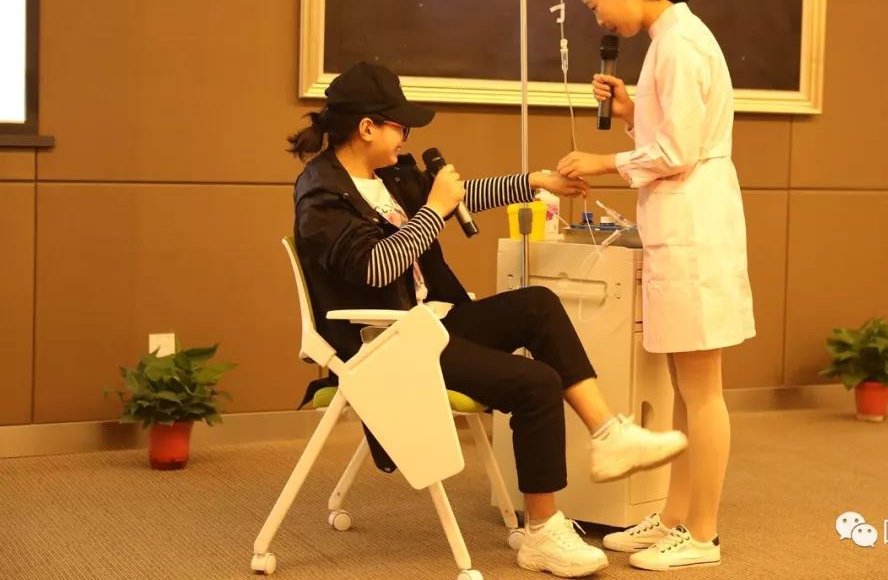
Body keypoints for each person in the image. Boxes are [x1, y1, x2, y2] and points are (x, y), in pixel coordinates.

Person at [288, 61, 688, 577]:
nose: (405, 138)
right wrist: (433, 211)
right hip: (385, 344)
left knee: (537, 304)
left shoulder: (387, 174)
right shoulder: (321, 195)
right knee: (535, 383)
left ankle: (609, 434)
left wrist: (534, 181)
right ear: (367, 127)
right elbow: (374, 267)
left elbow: (463, 196)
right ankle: (542, 533)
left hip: (427, 323)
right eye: (400, 126)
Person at [557, 0, 756, 571]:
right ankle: (672, 517)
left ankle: (702, 535)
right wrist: (629, 108)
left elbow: (677, 150)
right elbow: (671, 127)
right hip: (681, 221)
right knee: (683, 387)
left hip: (695, 225)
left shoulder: (681, 45)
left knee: (702, 390)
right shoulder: (669, 41)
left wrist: (602, 159)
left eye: (596, 7)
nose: (600, 21)